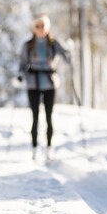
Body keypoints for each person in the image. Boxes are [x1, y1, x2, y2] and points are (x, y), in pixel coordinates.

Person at [18, 15, 70, 160]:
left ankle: (48, 147)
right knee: (34, 117)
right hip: (33, 83)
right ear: (34, 28)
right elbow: (22, 64)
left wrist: (69, 50)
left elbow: (67, 59)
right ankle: (34, 147)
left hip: (50, 83)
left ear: (48, 28)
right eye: (37, 26)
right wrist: (20, 75)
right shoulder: (28, 45)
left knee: (49, 116)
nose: (40, 29)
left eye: (43, 26)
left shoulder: (54, 44)